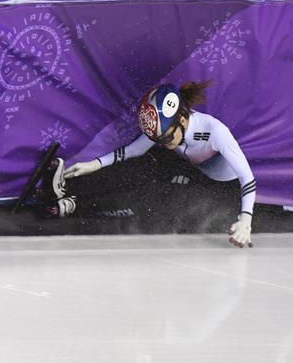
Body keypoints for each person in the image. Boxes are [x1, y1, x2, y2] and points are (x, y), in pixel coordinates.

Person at [40, 81, 256, 248]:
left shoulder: (215, 131)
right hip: (193, 169)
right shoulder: (166, 128)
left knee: (154, 197)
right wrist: (93, 165)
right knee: (142, 165)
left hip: (221, 189)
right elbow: (133, 150)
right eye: (158, 139)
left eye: (166, 138)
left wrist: (245, 220)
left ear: (182, 120)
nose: (164, 143)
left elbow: (247, 178)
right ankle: (68, 189)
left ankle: (75, 206)